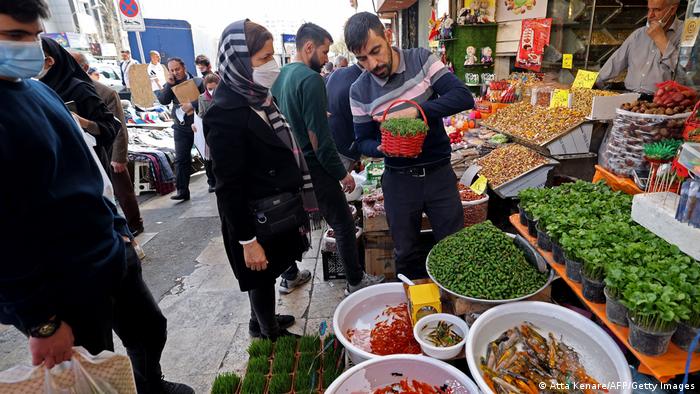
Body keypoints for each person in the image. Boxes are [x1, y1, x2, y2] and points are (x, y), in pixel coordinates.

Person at [0, 2, 193, 393]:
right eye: (15, 36)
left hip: (109, 253)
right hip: (60, 285)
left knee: (149, 329)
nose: (31, 48)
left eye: (35, 36)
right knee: (91, 366)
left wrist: (120, 229)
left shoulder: (37, 91)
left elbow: (86, 170)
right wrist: (41, 321)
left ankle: (150, 385)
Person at [345, 12, 473, 279]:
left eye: (375, 51)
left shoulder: (421, 59)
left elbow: (463, 97)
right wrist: (378, 149)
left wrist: (416, 111)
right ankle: (414, 306)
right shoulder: (359, 90)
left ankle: (453, 306)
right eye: (362, 59)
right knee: (405, 253)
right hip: (399, 181)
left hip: (439, 175)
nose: (372, 63)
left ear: (388, 36)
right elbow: (363, 141)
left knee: (455, 247)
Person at [204, 19, 307, 339]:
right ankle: (268, 333)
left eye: (272, 56)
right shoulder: (223, 113)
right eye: (263, 58)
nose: (272, 65)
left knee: (270, 269)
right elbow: (228, 187)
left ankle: (260, 320)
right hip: (253, 217)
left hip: (274, 208)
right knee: (260, 274)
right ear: (238, 63)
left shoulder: (259, 95)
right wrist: (247, 241)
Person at [272, 22, 383, 295]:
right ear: (308, 47)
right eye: (323, 52)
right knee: (344, 223)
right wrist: (341, 173)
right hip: (314, 168)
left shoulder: (281, 75)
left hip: (290, 165)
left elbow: (286, 117)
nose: (325, 60)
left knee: (291, 223)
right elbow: (319, 141)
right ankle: (355, 281)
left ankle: (289, 275)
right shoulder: (311, 79)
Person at [72, 50, 145, 235]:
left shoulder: (104, 92)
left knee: (122, 190)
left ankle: (134, 224)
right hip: (87, 152)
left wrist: (119, 157)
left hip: (110, 149)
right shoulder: (63, 89)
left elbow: (118, 126)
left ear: (85, 67)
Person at [40, 37, 121, 173]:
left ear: (50, 60)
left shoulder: (79, 89)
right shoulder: (38, 88)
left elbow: (109, 127)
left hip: (86, 166)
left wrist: (78, 121)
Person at [596, 0, 682, 96]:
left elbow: (686, 72)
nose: (650, 15)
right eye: (649, 9)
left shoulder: (686, 33)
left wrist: (660, 39)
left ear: (673, 10)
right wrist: (587, 83)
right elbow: (614, 63)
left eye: (657, 10)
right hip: (630, 98)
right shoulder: (638, 34)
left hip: (663, 103)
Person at [156, 57, 207, 201]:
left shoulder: (198, 82)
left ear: (184, 67)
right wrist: (168, 84)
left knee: (207, 153)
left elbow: (208, 98)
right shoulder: (171, 84)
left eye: (177, 69)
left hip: (198, 123)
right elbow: (164, 100)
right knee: (181, 158)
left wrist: (192, 104)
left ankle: (212, 182)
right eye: (171, 70)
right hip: (181, 126)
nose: (175, 72)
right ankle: (182, 191)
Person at [326, 61, 363, 171]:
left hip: (330, 139)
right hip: (345, 146)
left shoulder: (337, 73)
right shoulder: (361, 82)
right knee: (345, 183)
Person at [193, 72, 220, 193]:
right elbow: (201, 114)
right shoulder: (202, 98)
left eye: (214, 88)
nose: (212, 91)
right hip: (208, 130)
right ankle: (211, 182)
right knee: (208, 158)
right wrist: (195, 123)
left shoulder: (224, 96)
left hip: (222, 129)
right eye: (210, 89)